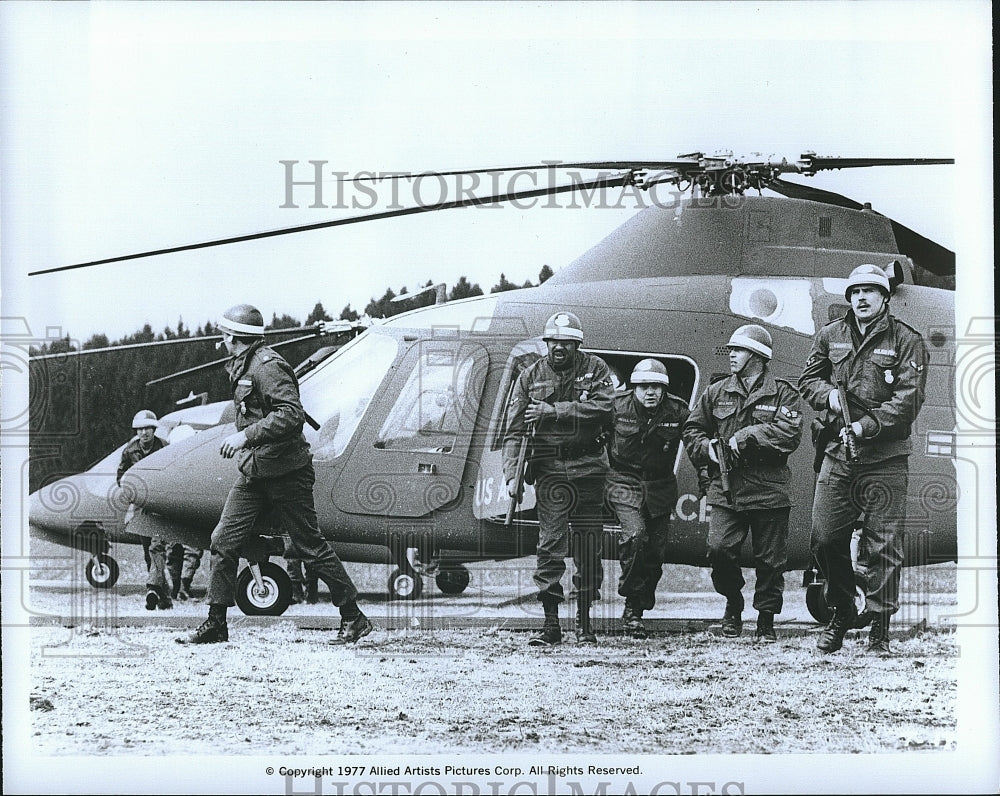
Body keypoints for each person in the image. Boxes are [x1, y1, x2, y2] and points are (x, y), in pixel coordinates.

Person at [177, 304, 371, 645]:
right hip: (255, 472)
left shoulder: (267, 366)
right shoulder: (245, 365)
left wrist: (243, 437)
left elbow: (291, 414)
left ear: (235, 338)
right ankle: (216, 623)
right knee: (223, 541)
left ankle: (354, 617)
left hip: (286, 473)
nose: (221, 341)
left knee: (309, 546)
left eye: (224, 336)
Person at [799, 264, 928, 654]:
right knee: (824, 538)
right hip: (838, 455)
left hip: (885, 457)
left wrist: (865, 426)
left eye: (871, 291)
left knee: (883, 544)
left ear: (885, 298)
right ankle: (842, 608)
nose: (861, 298)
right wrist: (830, 397)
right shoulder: (829, 336)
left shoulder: (907, 340)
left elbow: (908, 401)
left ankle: (879, 630)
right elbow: (809, 380)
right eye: (855, 292)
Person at [682, 324, 802, 642]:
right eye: (732, 350)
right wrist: (705, 448)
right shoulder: (717, 391)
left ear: (757, 356)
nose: (732, 355)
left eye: (738, 350)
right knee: (718, 549)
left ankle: (765, 621)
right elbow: (692, 429)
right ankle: (733, 603)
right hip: (727, 486)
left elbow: (789, 434)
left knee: (770, 561)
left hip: (769, 487)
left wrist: (748, 435)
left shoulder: (784, 394)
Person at [503, 311, 615, 646]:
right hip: (550, 471)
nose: (559, 348)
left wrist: (555, 411)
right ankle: (551, 624)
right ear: (547, 342)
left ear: (577, 344)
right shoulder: (530, 375)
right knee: (550, 546)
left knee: (588, 548)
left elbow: (604, 406)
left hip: (590, 470)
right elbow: (514, 430)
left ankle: (584, 621)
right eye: (554, 342)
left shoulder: (596, 370)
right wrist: (512, 474)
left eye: (566, 342)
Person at [606, 359, 689, 639]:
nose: (649, 392)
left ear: (664, 389)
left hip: (660, 484)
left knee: (655, 554)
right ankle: (633, 608)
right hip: (623, 480)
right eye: (643, 386)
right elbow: (595, 437)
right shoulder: (617, 407)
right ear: (634, 387)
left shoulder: (677, 410)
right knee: (635, 536)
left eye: (655, 386)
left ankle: (642, 597)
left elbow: (696, 438)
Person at [116, 410, 172, 609]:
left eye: (147, 428)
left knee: (157, 547)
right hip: (140, 507)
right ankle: (164, 599)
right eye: (139, 429)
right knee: (148, 553)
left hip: (161, 507)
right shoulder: (129, 451)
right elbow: (121, 477)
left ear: (154, 429)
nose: (143, 433)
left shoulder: (165, 447)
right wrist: (131, 496)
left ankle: (151, 589)